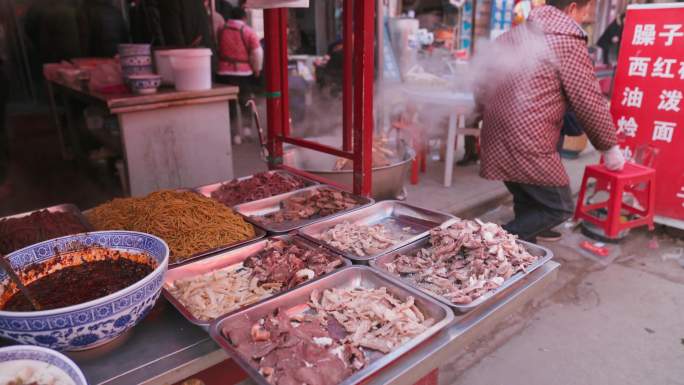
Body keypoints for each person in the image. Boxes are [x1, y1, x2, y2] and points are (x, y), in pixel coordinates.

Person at [475, 0, 625, 243]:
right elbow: (588, 100)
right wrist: (609, 146)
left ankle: (521, 254)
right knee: (559, 206)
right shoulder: (566, 41)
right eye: (586, 10)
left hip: (496, 133)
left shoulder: (510, 36)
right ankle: (493, 242)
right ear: (572, 7)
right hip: (528, 140)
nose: (586, 18)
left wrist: (480, 114)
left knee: (527, 198)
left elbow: (481, 83)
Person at [215, 7, 263, 115]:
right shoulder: (248, 31)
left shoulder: (221, 28)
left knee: (229, 101)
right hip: (243, 72)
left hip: (223, 71)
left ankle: (233, 131)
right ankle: (247, 129)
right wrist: (257, 69)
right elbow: (257, 52)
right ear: (244, 17)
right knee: (245, 99)